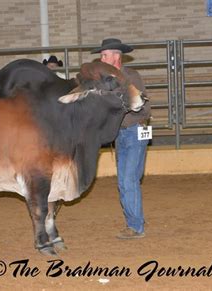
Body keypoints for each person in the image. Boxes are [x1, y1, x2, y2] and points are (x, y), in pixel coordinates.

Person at [92, 38, 151, 239]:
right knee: (126, 180)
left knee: (127, 180)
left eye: (104, 55)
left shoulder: (131, 76)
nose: (101, 58)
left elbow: (144, 108)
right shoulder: (104, 80)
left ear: (115, 56)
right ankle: (135, 219)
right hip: (120, 135)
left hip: (134, 132)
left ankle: (135, 226)